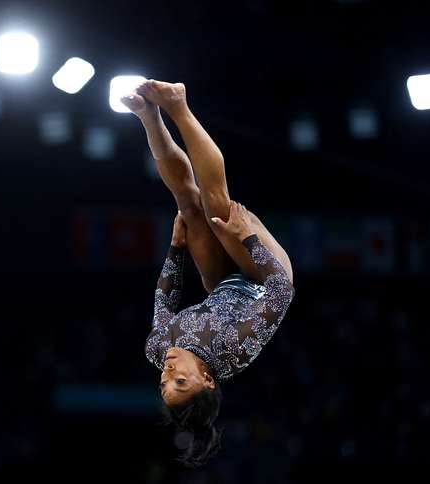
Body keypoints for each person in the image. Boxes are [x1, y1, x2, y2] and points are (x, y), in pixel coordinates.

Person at [120, 80, 295, 467]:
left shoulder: (157, 348)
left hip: (221, 283)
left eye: (164, 384)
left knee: (187, 204)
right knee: (218, 210)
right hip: (265, 275)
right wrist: (248, 239)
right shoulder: (231, 352)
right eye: (181, 382)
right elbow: (282, 293)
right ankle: (178, 105)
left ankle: (148, 116)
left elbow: (164, 299)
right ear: (207, 380)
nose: (168, 374)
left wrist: (176, 248)